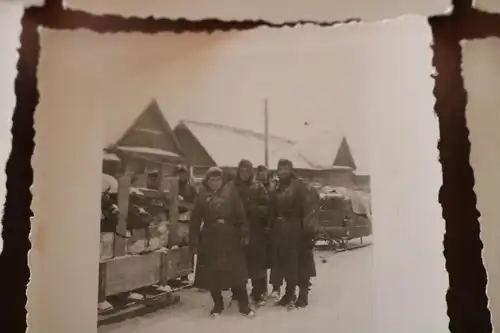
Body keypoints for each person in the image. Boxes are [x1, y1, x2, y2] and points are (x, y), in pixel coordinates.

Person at [189, 166, 256, 318]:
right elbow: (195, 220)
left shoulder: (231, 194)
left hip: (229, 238)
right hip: (209, 238)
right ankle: (218, 305)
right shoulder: (202, 197)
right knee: (212, 274)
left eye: (217, 179)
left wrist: (244, 233)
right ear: (207, 181)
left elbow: (241, 216)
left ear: (222, 180)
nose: (214, 182)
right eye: (211, 179)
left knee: (237, 273)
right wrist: (194, 240)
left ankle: (244, 305)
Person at [270, 159, 318, 308]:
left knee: (302, 263)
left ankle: (303, 295)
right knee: (286, 263)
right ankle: (289, 294)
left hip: (298, 230)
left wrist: (309, 231)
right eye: (280, 169)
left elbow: (309, 208)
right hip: (282, 231)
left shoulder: (299, 185)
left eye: (286, 168)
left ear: (291, 169)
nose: (283, 171)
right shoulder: (277, 187)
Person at [230, 160, 271, 306]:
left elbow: (267, 207)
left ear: (251, 172)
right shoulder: (231, 187)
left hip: (255, 230)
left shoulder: (258, 187)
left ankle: (258, 293)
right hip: (236, 230)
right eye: (241, 171)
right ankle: (237, 292)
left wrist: (254, 209)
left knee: (256, 262)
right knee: (236, 262)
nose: (244, 174)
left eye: (247, 171)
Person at [255, 165, 282, 300]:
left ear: (268, 174)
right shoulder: (254, 188)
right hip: (259, 229)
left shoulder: (273, 189)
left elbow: (275, 208)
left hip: (274, 227)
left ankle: (276, 287)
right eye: (259, 173)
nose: (261, 175)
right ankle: (262, 289)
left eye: (263, 173)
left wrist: (271, 224)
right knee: (261, 260)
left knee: (275, 259)